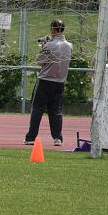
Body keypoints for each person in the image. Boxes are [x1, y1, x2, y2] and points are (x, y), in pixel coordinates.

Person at [24, 18, 72, 146]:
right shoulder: (69, 46)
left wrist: (44, 46)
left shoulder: (50, 45)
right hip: (60, 82)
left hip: (45, 81)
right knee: (56, 111)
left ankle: (30, 137)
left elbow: (40, 60)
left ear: (54, 29)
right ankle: (57, 138)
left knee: (37, 110)